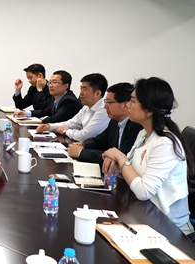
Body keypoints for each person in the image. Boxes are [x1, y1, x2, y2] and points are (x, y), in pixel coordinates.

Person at [102, 77, 194, 235]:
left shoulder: (165, 143)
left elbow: (144, 191)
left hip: (169, 228)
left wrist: (120, 158)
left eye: (132, 101)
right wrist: (117, 164)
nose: (127, 105)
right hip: (143, 215)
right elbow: (130, 171)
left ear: (149, 110)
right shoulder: (143, 134)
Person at [68, 82, 143, 165]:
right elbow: (100, 140)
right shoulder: (115, 121)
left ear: (125, 105)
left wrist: (81, 153)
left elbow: (121, 157)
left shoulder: (136, 126)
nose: (105, 106)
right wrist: (83, 144)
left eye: (108, 102)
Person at [36, 73, 110, 141]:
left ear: (97, 93)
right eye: (81, 88)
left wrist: (65, 131)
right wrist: (49, 127)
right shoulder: (86, 107)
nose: (80, 93)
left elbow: (84, 136)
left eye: (84, 89)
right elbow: (70, 123)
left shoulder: (104, 109)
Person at [14, 70, 81, 124]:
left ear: (66, 86)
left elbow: (56, 119)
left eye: (54, 82)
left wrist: (44, 119)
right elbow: (45, 112)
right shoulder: (55, 97)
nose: (50, 85)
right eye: (50, 82)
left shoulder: (69, 100)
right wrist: (26, 113)